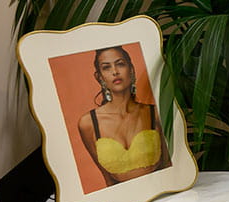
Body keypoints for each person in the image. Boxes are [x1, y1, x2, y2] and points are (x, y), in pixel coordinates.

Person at [73, 45, 170, 187]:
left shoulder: (155, 113)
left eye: (120, 64)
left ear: (131, 70)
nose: (115, 72)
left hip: (160, 192)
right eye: (106, 67)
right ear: (99, 77)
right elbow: (109, 180)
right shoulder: (88, 123)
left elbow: (167, 165)